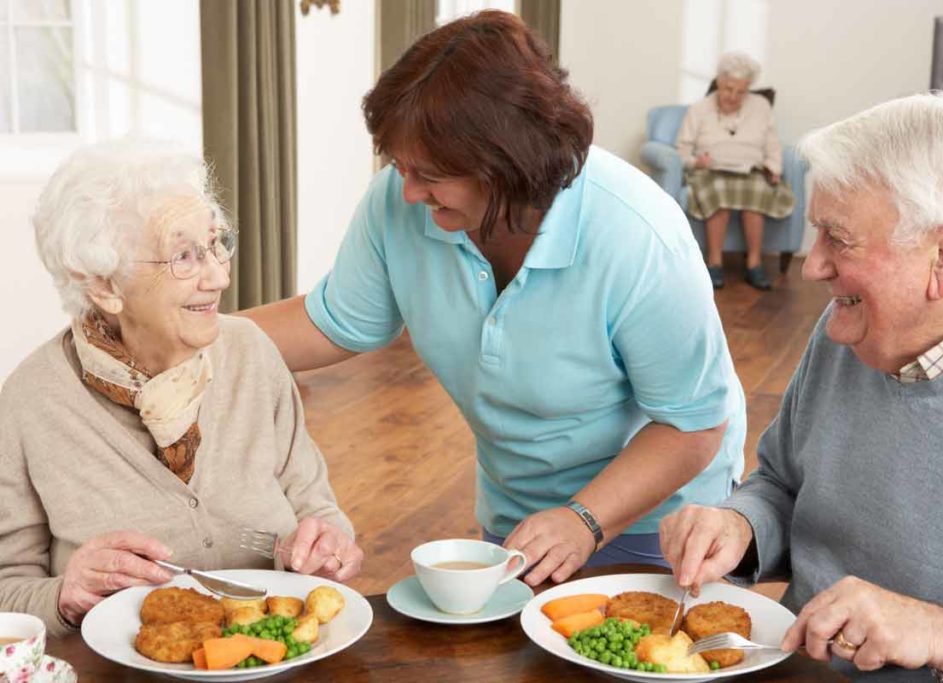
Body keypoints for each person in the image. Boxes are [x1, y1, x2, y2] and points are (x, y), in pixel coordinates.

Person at [242, 10, 746, 587]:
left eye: (429, 173)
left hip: (660, 521)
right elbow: (332, 322)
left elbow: (693, 425)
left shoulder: (637, 234)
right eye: (399, 166)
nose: (406, 191)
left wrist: (585, 519)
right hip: (520, 511)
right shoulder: (402, 203)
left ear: (508, 164)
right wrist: (188, 337)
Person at [659, 94, 943, 681]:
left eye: (838, 237)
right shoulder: (846, 331)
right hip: (786, 665)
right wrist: (742, 527)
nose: (812, 266)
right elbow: (780, 482)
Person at [0, 140, 363, 637]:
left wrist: (330, 547)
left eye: (216, 244)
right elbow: (7, 590)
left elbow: (316, 508)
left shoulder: (251, 353)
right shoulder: (29, 402)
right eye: (184, 257)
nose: (219, 275)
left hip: (273, 657)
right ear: (104, 286)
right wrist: (64, 596)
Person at [675, 51, 796, 291]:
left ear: (748, 88)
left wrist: (774, 167)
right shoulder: (698, 110)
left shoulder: (760, 106)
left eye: (741, 91)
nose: (733, 96)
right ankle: (714, 263)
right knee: (720, 191)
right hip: (710, 171)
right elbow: (682, 150)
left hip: (750, 169)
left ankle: (754, 264)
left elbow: (772, 142)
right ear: (719, 82)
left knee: (757, 191)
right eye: (728, 88)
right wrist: (696, 162)